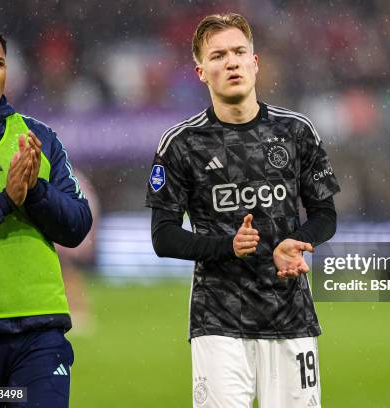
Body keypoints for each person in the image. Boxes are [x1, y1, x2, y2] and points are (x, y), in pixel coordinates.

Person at [146, 13, 340, 408]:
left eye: (239, 52)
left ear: (255, 62)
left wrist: (297, 241)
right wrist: (226, 246)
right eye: (218, 56)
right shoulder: (181, 144)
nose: (231, 62)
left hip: (291, 316)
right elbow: (163, 236)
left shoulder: (296, 131)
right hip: (218, 320)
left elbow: (325, 214)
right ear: (201, 72)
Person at [0, 23, 92, 408]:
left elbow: (77, 225)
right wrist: (3, 201)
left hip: (40, 336)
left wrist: (35, 191)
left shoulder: (40, 137)